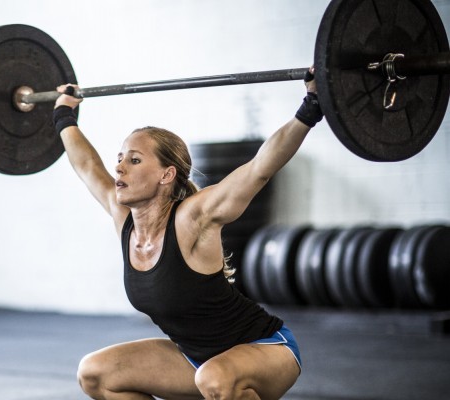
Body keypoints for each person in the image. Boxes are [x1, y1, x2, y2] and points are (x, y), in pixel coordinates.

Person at [51, 68, 322, 400]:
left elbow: (259, 169)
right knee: (95, 374)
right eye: (119, 158)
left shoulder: (192, 218)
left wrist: (312, 105)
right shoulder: (124, 220)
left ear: (167, 175)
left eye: (134, 160)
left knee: (216, 379)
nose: (119, 167)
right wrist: (64, 114)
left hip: (265, 349)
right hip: (195, 360)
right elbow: (87, 165)